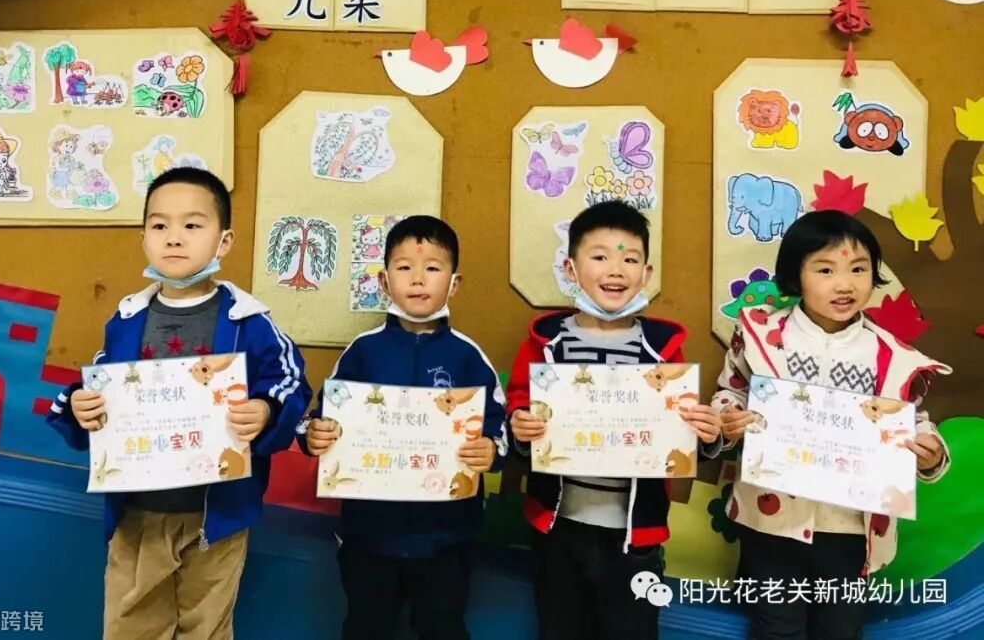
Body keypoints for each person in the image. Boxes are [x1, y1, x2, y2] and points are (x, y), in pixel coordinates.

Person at [47, 167, 308, 640]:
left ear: (224, 241)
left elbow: (290, 381)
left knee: (206, 628)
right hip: (138, 513)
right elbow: (101, 383)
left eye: (192, 224)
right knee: (131, 626)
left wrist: (266, 409)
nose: (174, 237)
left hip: (216, 515)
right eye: (159, 225)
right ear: (144, 238)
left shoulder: (249, 321)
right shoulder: (127, 319)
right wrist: (81, 407)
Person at [711, 210, 951, 640]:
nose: (845, 284)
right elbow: (732, 392)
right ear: (795, 275)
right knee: (776, 629)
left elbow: (912, 420)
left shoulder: (892, 356)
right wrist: (728, 417)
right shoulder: (761, 335)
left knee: (839, 630)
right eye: (825, 270)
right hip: (772, 519)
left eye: (859, 269)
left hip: (850, 528)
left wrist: (929, 451)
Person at [506, 201, 722, 640]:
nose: (616, 270)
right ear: (570, 268)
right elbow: (518, 407)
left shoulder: (662, 350)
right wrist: (520, 428)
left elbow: (680, 434)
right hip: (558, 527)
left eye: (630, 259)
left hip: (635, 537)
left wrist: (706, 435)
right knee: (560, 630)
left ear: (646, 273)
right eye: (600, 256)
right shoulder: (546, 344)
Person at [299, 215, 508, 640]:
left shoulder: (469, 357)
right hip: (369, 535)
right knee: (366, 627)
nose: (417, 278)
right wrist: (313, 435)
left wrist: (492, 448)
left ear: (454, 283)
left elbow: (498, 427)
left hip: (447, 537)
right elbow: (323, 417)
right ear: (384, 280)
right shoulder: (362, 352)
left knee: (442, 628)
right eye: (404, 267)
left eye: (432, 267)